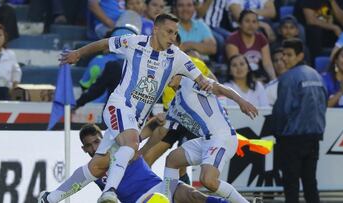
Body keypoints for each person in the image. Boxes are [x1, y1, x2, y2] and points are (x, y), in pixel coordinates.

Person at [39, 13, 213, 203]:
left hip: (136, 120)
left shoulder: (177, 57)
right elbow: (105, 43)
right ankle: (110, 191)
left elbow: (203, 80)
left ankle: (50, 198)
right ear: (156, 29)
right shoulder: (134, 43)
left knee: (98, 166)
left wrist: (215, 90)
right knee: (131, 144)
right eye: (169, 32)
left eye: (176, 33)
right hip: (119, 106)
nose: (173, 37)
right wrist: (78, 53)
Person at [75, 123, 230, 203]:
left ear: (102, 140)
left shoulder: (124, 148)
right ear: (83, 149)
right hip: (140, 201)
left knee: (195, 196)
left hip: (163, 188)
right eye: (89, 145)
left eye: (96, 142)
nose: (94, 148)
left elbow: (150, 131)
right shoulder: (92, 171)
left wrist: (160, 120)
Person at [162, 74, 258, 202]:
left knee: (208, 180)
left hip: (221, 137)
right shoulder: (175, 103)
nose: (165, 76)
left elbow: (220, 88)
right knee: (172, 159)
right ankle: (167, 200)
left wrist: (241, 101)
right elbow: (161, 129)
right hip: (206, 140)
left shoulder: (193, 83)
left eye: (169, 72)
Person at [272, 38, 327, 203]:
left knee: (291, 185)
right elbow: (323, 104)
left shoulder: (288, 78)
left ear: (300, 55)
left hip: (291, 139)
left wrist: (278, 134)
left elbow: (282, 111)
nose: (284, 59)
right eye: (283, 55)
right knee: (310, 183)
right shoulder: (316, 75)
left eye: (289, 55)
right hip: (313, 137)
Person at [225, 10, 276, 81]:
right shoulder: (232, 39)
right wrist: (252, 81)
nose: (251, 25)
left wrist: (273, 80)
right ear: (240, 24)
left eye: (254, 22)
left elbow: (267, 63)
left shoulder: (261, 38)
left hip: (259, 74)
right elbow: (236, 65)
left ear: (258, 24)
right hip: (240, 76)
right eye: (247, 21)